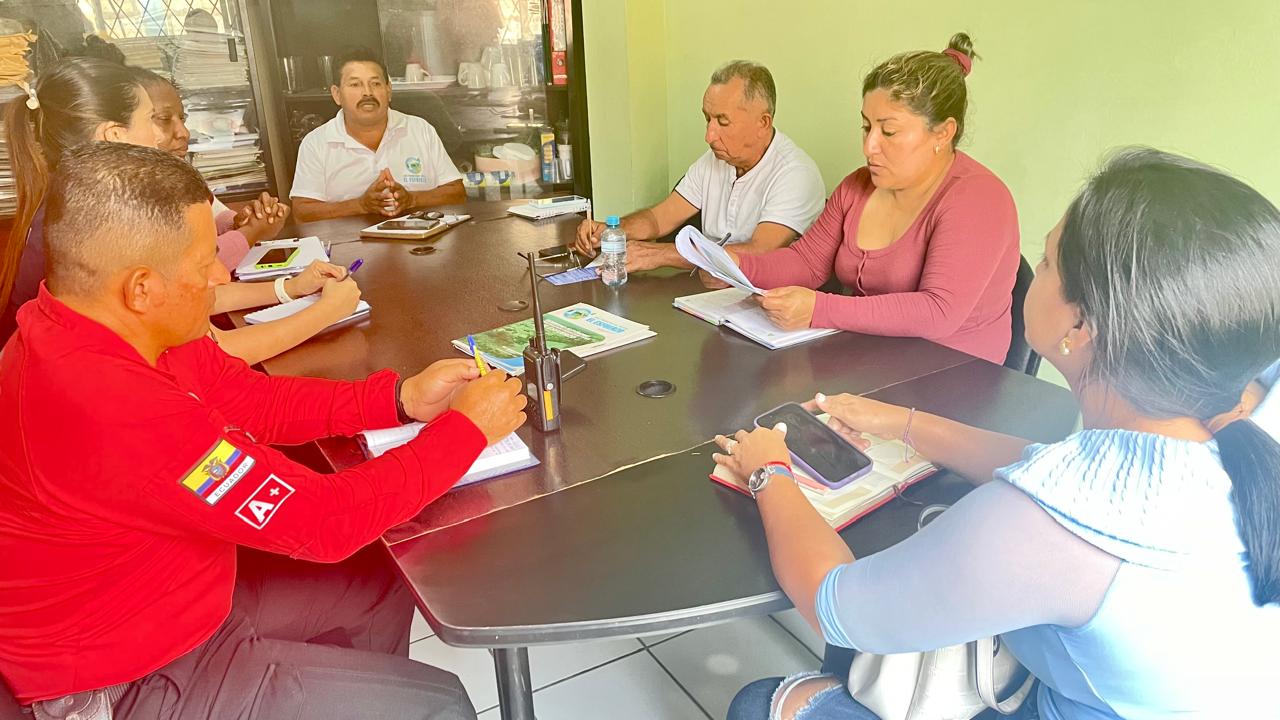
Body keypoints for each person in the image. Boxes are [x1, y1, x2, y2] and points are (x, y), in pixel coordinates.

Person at [717, 148, 1280, 720]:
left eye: (1048, 260)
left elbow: (831, 605)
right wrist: (904, 423)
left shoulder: (1042, 524)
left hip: (1050, 703)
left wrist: (770, 470)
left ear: (1081, 324)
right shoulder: (1231, 432)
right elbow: (1053, 465)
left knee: (762, 703)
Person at [0, 141, 528, 718]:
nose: (219, 275)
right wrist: (466, 432)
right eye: (204, 264)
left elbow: (247, 398)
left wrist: (399, 400)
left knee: (377, 581)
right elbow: (322, 521)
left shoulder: (113, 328)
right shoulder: (111, 404)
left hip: (174, 597)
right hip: (120, 675)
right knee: (439, 705)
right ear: (141, 288)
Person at [0, 57, 362, 364]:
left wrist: (291, 287)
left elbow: (189, 295)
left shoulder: (80, 199)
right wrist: (328, 312)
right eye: (151, 120)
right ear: (114, 135)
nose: (162, 137)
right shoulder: (108, 221)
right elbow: (216, 354)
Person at [727, 35, 1019, 364]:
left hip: (952, 377)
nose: (869, 147)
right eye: (866, 127)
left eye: (888, 131)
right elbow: (806, 262)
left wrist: (819, 309)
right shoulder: (858, 186)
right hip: (869, 361)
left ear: (943, 133)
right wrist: (736, 264)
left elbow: (938, 311)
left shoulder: (979, 197)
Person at [571, 60, 825, 276]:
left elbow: (760, 252)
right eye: (707, 119)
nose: (709, 136)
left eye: (722, 122)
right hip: (710, 290)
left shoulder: (795, 173)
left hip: (769, 302)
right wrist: (614, 231)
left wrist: (660, 254)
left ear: (763, 123)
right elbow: (659, 218)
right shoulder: (715, 159)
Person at [131, 66, 288, 270]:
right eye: (164, 119)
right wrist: (252, 232)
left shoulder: (179, 174)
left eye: (182, 119)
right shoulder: (126, 198)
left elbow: (216, 215)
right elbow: (190, 268)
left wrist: (243, 220)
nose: (184, 133)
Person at [290, 47, 465, 222]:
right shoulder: (316, 143)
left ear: (388, 90)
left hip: (422, 238)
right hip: (347, 240)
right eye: (355, 84)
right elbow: (302, 212)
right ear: (337, 95)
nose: (367, 92)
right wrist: (361, 205)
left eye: (375, 83)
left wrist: (411, 199)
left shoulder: (420, 129)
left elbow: (456, 193)